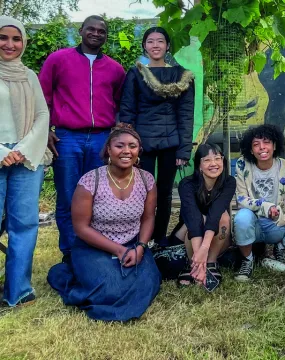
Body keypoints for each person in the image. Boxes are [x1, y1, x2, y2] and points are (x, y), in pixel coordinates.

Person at [47, 124, 161, 321]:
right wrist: (118, 250)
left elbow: (149, 217)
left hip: (133, 244)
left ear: (138, 151)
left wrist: (141, 247)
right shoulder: (90, 181)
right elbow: (80, 228)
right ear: (108, 149)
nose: (126, 151)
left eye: (132, 146)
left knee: (149, 283)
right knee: (109, 288)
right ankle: (71, 273)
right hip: (94, 247)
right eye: (120, 146)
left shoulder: (147, 180)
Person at [39, 15, 126, 262]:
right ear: (81, 31)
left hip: (101, 138)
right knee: (68, 196)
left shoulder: (115, 68)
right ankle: (70, 253)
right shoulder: (58, 60)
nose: (96, 33)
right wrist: (45, 130)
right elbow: (42, 97)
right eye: (92, 29)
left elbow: (119, 103)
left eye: (102, 31)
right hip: (67, 138)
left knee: (100, 196)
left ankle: (94, 250)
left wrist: (115, 134)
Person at [120, 27, 195, 243]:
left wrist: (184, 150)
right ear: (144, 46)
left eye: (160, 41)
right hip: (141, 145)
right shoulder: (135, 74)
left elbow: (185, 114)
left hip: (170, 144)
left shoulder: (182, 76)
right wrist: (128, 147)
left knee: (164, 194)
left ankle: (159, 239)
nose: (155, 45)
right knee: (139, 192)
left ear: (167, 46)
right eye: (150, 41)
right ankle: (139, 239)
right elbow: (127, 110)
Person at [0, 16, 52, 306]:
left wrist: (21, 149)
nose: (10, 44)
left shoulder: (29, 75)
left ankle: (18, 290)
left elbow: (43, 115)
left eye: (16, 38)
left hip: (27, 158)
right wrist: (2, 152)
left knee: (24, 224)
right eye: (3, 37)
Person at [233, 124, 285, 281]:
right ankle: (248, 260)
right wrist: (266, 207)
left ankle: (280, 248)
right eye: (256, 144)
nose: (262, 147)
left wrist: (281, 219)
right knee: (242, 217)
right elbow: (241, 199)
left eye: (267, 142)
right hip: (253, 224)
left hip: (276, 225)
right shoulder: (243, 165)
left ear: (275, 145)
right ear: (250, 149)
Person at [169, 143, 235, 288]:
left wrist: (204, 250)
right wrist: (199, 259)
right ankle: (192, 263)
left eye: (217, 159)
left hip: (214, 237)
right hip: (188, 233)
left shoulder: (229, 182)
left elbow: (216, 213)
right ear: (199, 165)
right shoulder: (187, 184)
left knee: (223, 216)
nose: (213, 164)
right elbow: (193, 219)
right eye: (207, 160)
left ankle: (211, 262)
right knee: (200, 218)